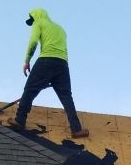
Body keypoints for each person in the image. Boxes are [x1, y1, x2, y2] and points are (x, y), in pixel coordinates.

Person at [9, 8, 89, 138]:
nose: (33, 22)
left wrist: (27, 61)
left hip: (46, 61)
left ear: (36, 16)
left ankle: (19, 120)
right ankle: (76, 129)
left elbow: (34, 41)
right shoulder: (61, 29)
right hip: (63, 65)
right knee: (66, 96)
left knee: (30, 89)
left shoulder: (38, 22)